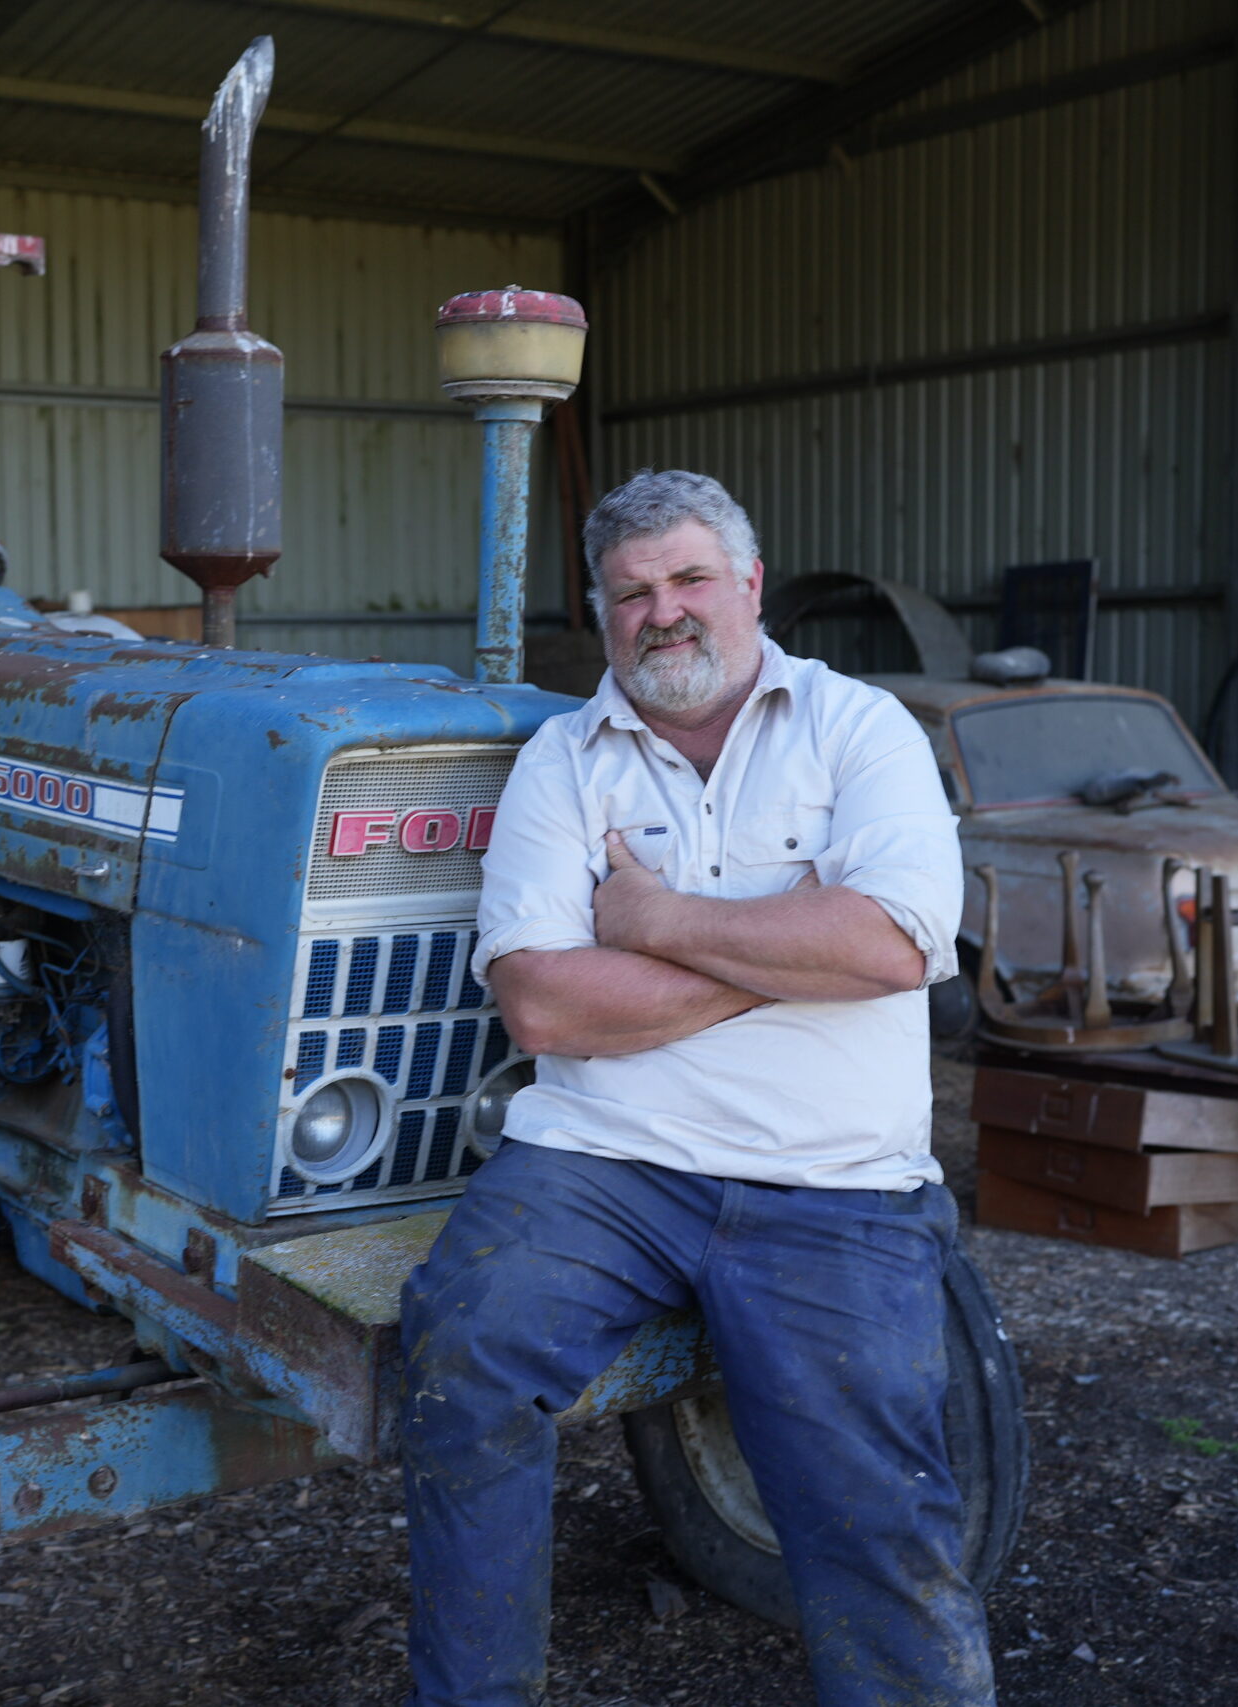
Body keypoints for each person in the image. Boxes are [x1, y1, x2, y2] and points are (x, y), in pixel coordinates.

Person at [399, 469, 988, 1707]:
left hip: (833, 1180)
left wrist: (657, 917)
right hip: (602, 1163)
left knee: (871, 1493)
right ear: (605, 614)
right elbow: (545, 1005)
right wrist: (793, 948)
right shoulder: (563, 762)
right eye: (631, 593)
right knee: (463, 1354)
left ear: (749, 586)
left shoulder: (859, 729)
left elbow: (892, 945)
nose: (662, 612)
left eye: (687, 580)